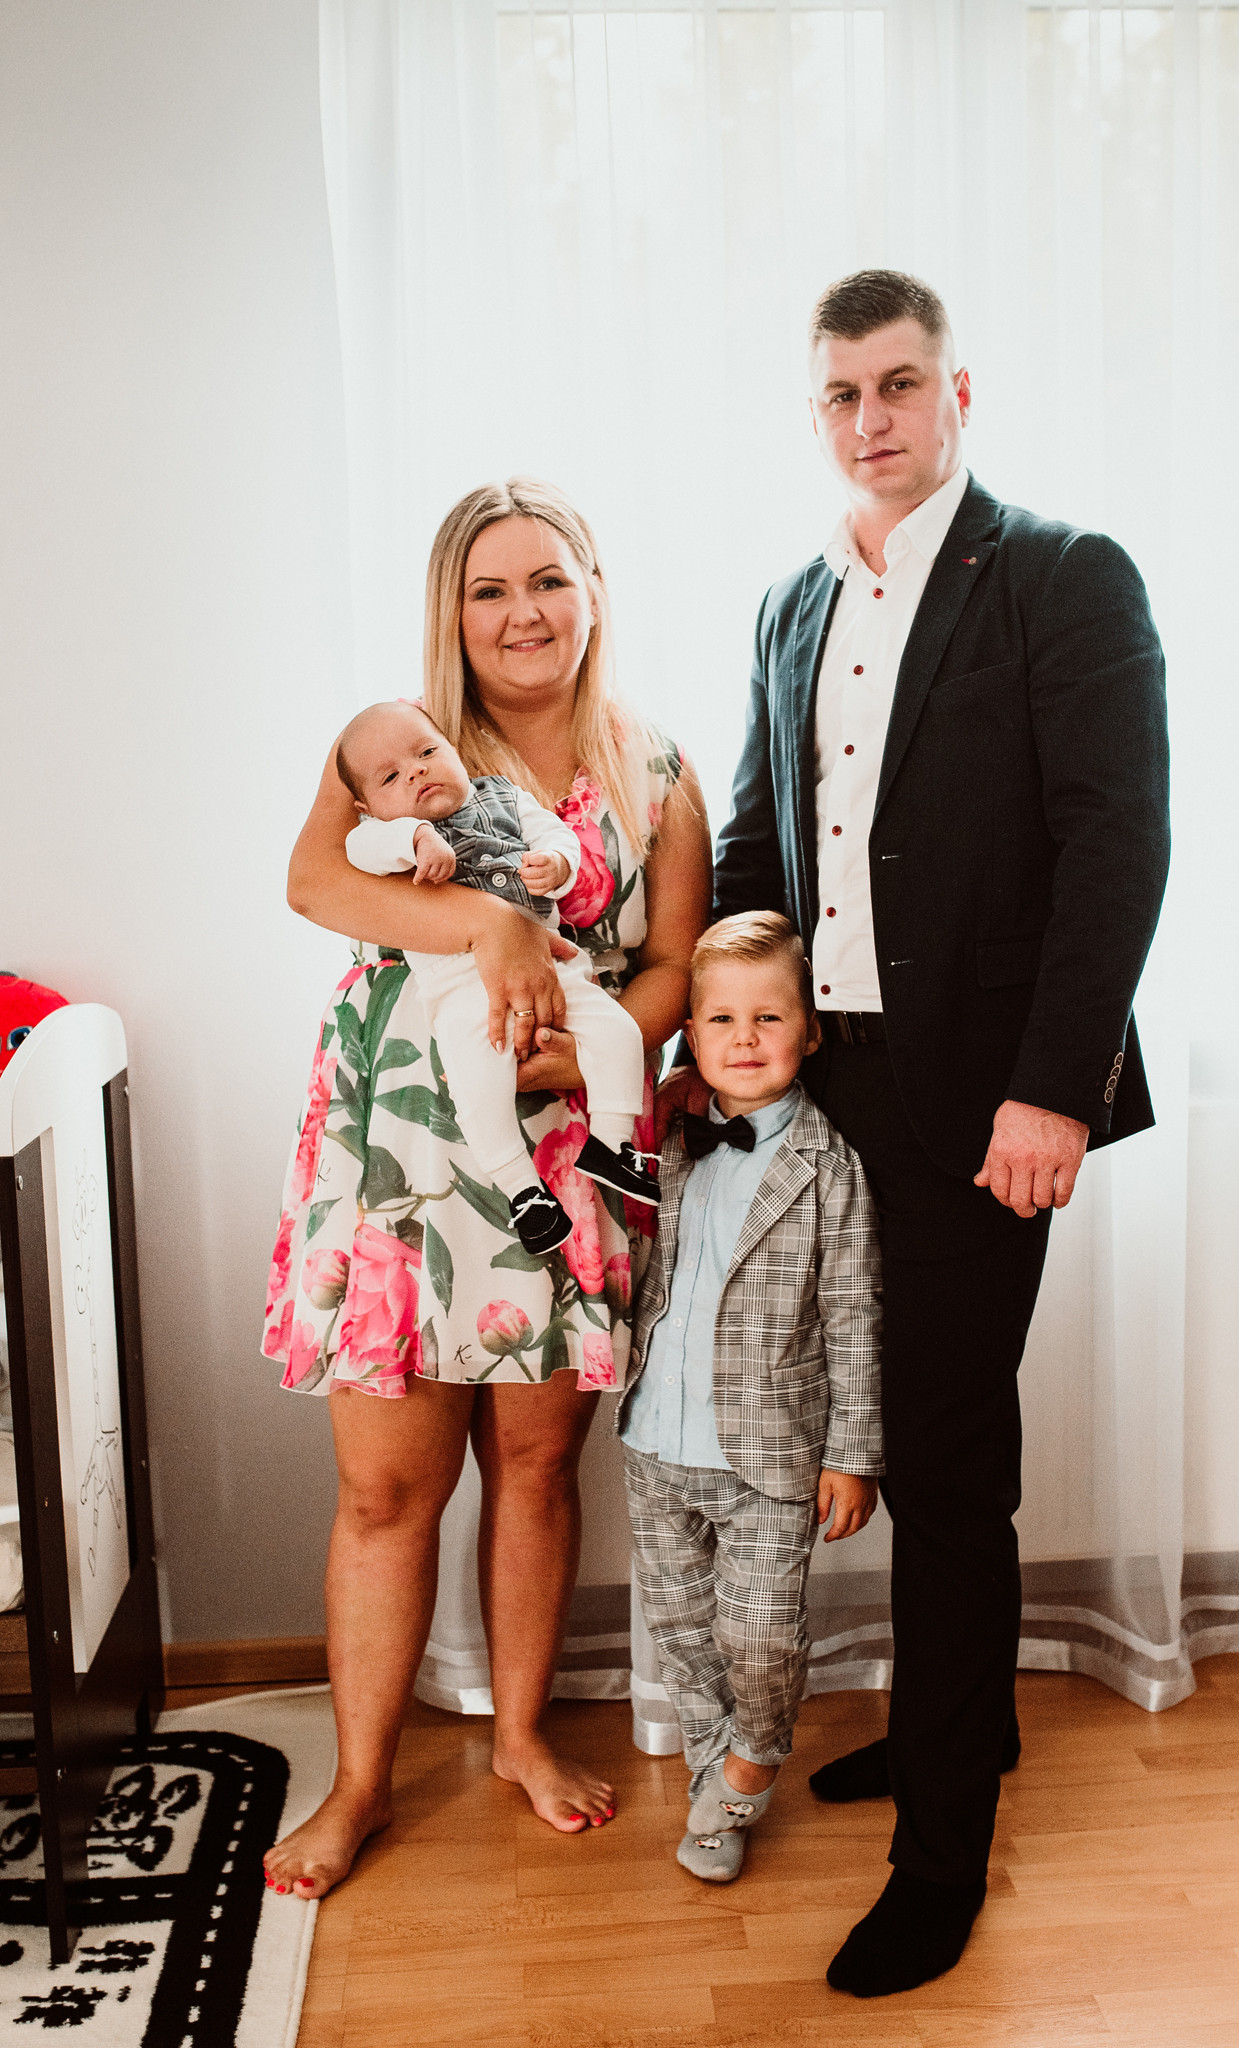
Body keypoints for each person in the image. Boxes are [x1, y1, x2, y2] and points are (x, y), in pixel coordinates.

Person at [672, 269, 1170, 1993]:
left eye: (899, 384)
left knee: (949, 1457)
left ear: (960, 391)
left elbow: (1115, 841)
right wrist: (720, 1063)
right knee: (856, 1419)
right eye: (841, 393)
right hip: (832, 1091)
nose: (870, 418)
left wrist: (1055, 1086)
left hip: (988, 1095)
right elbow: (758, 848)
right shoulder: (788, 603)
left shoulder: (1059, 574)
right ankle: (962, 1717)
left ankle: (941, 1849)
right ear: (814, 410)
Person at [261, 478, 712, 1898]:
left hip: (566, 1151)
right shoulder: (399, 743)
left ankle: (518, 1736)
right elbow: (317, 886)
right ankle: (359, 1786)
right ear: (450, 611)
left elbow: (673, 966)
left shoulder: (656, 769)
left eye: (548, 579)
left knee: (532, 1467)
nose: (523, 613)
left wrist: (584, 1058)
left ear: (593, 589)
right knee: (385, 1491)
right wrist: (490, 927)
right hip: (400, 1153)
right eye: (489, 588)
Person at [618, 912, 882, 1884]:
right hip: (655, 1439)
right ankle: (710, 1780)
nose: (744, 1037)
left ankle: (746, 1769)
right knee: (685, 1633)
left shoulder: (828, 1166)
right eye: (721, 1018)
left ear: (807, 1031)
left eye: (768, 1016)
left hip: (770, 1456)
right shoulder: (667, 1140)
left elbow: (853, 1315)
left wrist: (852, 1455)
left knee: (759, 1633)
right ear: (689, 1030)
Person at [339, 699, 660, 1255]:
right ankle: (523, 1192)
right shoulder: (385, 833)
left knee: (619, 1033)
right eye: (391, 777)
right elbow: (358, 849)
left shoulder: (504, 798)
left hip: (552, 970)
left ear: (455, 752)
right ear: (368, 806)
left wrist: (557, 864)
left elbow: (554, 834)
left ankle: (612, 1144)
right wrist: (415, 839)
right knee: (478, 1087)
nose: (415, 771)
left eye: (427, 752)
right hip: (463, 992)